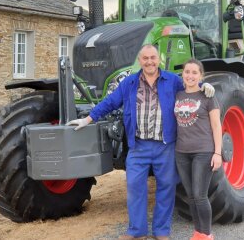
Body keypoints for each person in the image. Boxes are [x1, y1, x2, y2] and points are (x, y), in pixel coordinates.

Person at [66, 45, 215, 240]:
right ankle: (137, 231)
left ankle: (161, 231)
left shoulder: (172, 80)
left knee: (166, 187)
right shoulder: (129, 82)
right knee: (135, 186)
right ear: (140, 60)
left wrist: (205, 86)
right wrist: (87, 119)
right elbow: (110, 102)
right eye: (145, 58)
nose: (149, 61)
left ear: (158, 59)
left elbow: (191, 88)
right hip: (138, 146)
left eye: (153, 57)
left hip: (165, 145)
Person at [173, 59, 222, 240]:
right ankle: (198, 232)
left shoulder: (208, 96)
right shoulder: (177, 95)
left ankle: (207, 234)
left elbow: (217, 126)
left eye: (195, 73)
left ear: (201, 76)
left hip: (203, 151)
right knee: (191, 196)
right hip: (181, 152)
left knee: (200, 196)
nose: (190, 76)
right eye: (187, 72)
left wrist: (217, 153)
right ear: (183, 74)